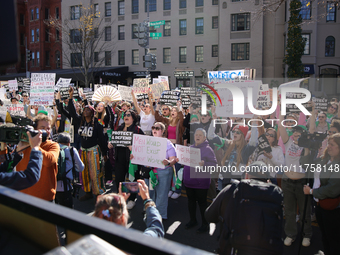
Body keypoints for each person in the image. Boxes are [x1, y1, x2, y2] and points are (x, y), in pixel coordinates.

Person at [205, 161, 284, 255]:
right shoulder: (274, 195)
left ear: (246, 176)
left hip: (233, 249)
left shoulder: (232, 190)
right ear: (267, 181)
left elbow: (209, 216)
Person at [302, 133, 340, 255]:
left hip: (332, 209)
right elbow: (306, 166)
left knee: (333, 239)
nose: (329, 146)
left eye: (332, 145)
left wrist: (312, 191)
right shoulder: (325, 160)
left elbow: (332, 189)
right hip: (320, 205)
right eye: (328, 144)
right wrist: (307, 148)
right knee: (324, 236)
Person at [278, 112, 312, 247]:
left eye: (299, 134)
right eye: (295, 133)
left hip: (301, 182)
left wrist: (313, 110)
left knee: (304, 211)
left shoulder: (307, 146)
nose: (296, 135)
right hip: (287, 181)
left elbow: (312, 130)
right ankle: (291, 234)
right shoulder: (288, 142)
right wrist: (280, 111)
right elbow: (281, 128)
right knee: (290, 211)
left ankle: (306, 234)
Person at [68, 87, 108, 201]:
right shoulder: (80, 121)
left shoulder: (97, 125)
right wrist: (71, 97)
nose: (85, 111)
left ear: (92, 112)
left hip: (94, 151)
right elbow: (71, 111)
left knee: (95, 173)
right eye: (84, 109)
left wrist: (105, 154)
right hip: (83, 151)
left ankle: (98, 193)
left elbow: (102, 140)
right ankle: (88, 192)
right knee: (84, 173)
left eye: (88, 110)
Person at [132, 122, 177, 220]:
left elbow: (174, 159)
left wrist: (169, 162)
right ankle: (150, 212)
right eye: (153, 127)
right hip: (149, 172)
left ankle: (159, 216)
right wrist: (134, 156)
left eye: (157, 128)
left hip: (163, 173)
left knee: (161, 195)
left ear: (163, 131)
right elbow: (141, 155)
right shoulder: (148, 141)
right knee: (150, 194)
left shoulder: (167, 143)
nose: (154, 130)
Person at [93, 179, 164, 238]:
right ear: (123, 218)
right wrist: (147, 200)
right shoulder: (138, 245)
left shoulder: (89, 238)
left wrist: (119, 202)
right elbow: (156, 229)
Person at [15, 115, 60, 201]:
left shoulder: (53, 145)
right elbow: (9, 163)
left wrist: (35, 145)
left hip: (44, 199)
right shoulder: (24, 144)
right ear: (34, 129)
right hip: (23, 197)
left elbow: (48, 161)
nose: (46, 131)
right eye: (42, 128)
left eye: (48, 128)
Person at [182, 128, 217, 233]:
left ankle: (205, 224)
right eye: (196, 134)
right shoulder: (190, 147)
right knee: (191, 202)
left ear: (204, 138)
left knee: (202, 204)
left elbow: (214, 165)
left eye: (200, 135)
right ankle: (193, 220)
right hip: (189, 181)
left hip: (201, 182)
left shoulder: (208, 149)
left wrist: (204, 164)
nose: (197, 136)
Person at [108, 109, 144, 209]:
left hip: (132, 160)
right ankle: (121, 197)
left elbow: (144, 144)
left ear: (133, 118)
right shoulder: (119, 128)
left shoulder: (137, 130)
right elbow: (114, 140)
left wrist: (134, 147)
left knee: (132, 179)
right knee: (119, 179)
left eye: (128, 115)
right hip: (120, 158)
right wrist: (110, 143)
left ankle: (132, 199)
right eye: (124, 115)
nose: (126, 116)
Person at [55, 132, 85, 208]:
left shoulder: (53, 149)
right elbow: (80, 167)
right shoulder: (71, 150)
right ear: (69, 142)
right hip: (66, 186)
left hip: (52, 185)